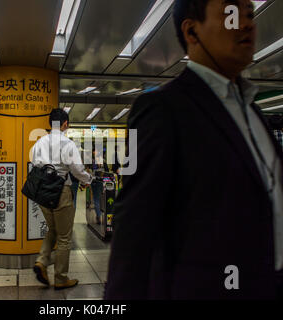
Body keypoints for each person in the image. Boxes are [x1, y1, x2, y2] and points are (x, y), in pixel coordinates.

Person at [105, 0, 283, 300]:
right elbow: (132, 228)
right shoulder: (158, 110)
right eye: (231, 13)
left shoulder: (251, 109)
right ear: (192, 31)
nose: (247, 23)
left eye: (249, 13)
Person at [31, 108, 93, 290]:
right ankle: (60, 278)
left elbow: (34, 165)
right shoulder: (67, 143)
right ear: (65, 124)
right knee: (64, 236)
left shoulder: (39, 142)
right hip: (60, 191)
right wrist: (88, 180)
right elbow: (77, 170)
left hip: (41, 191)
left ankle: (41, 262)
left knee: (53, 229)